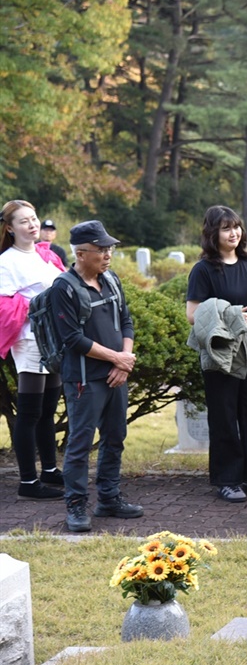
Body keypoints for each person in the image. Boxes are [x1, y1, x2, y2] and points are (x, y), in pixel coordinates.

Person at [50, 221, 144, 532]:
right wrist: (117, 358)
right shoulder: (63, 288)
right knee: (79, 443)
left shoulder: (112, 280)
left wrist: (123, 362)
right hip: (83, 380)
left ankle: (108, 498)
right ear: (80, 253)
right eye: (101, 249)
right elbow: (72, 339)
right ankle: (76, 505)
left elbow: (126, 321)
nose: (108, 254)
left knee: (115, 437)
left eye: (109, 249)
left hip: (117, 375)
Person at [186, 205, 247, 503]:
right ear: (213, 233)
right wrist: (230, 313)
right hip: (222, 352)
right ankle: (228, 479)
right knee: (224, 414)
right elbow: (193, 313)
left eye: (236, 226)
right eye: (226, 228)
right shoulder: (204, 270)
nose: (234, 232)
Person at [0, 200, 66, 500]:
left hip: (53, 340)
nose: (32, 224)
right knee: (30, 412)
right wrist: (40, 304)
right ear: (10, 228)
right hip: (29, 342)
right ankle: (28, 481)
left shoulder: (45, 255)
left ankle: (49, 469)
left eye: (34, 218)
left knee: (48, 411)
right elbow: (4, 307)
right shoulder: (7, 262)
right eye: (24, 221)